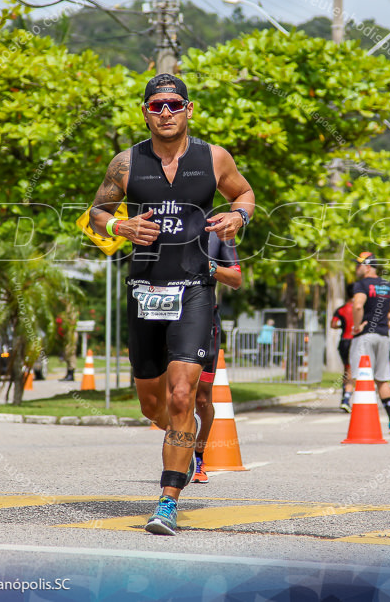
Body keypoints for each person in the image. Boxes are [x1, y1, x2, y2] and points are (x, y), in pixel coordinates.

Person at [88, 73, 254, 536]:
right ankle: (178, 436)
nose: (166, 112)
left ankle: (167, 500)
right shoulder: (126, 163)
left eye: (174, 104)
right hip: (145, 292)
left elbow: (244, 192)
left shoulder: (213, 158)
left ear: (189, 108)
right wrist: (119, 228)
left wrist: (238, 215)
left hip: (194, 290)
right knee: (153, 406)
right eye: (157, 105)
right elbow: (98, 212)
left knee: (184, 395)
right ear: (145, 111)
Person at [193, 232, 242, 484]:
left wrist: (211, 267)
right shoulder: (164, 219)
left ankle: (198, 456)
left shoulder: (219, 230)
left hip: (204, 321)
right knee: (173, 395)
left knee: (202, 398)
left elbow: (235, 278)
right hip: (168, 319)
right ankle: (179, 453)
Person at [349, 252, 390, 434]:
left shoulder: (361, 285)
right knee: (382, 380)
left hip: (365, 336)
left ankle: (363, 424)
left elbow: (357, 306)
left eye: (359, 265)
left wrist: (357, 326)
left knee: (362, 378)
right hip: (383, 335)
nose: (356, 268)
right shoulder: (387, 286)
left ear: (368, 266)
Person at [331, 287, 355, 412]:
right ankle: (346, 399)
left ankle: (344, 397)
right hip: (354, 341)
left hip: (344, 342)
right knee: (351, 372)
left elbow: (333, 324)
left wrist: (343, 326)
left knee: (347, 369)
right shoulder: (360, 308)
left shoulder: (341, 309)